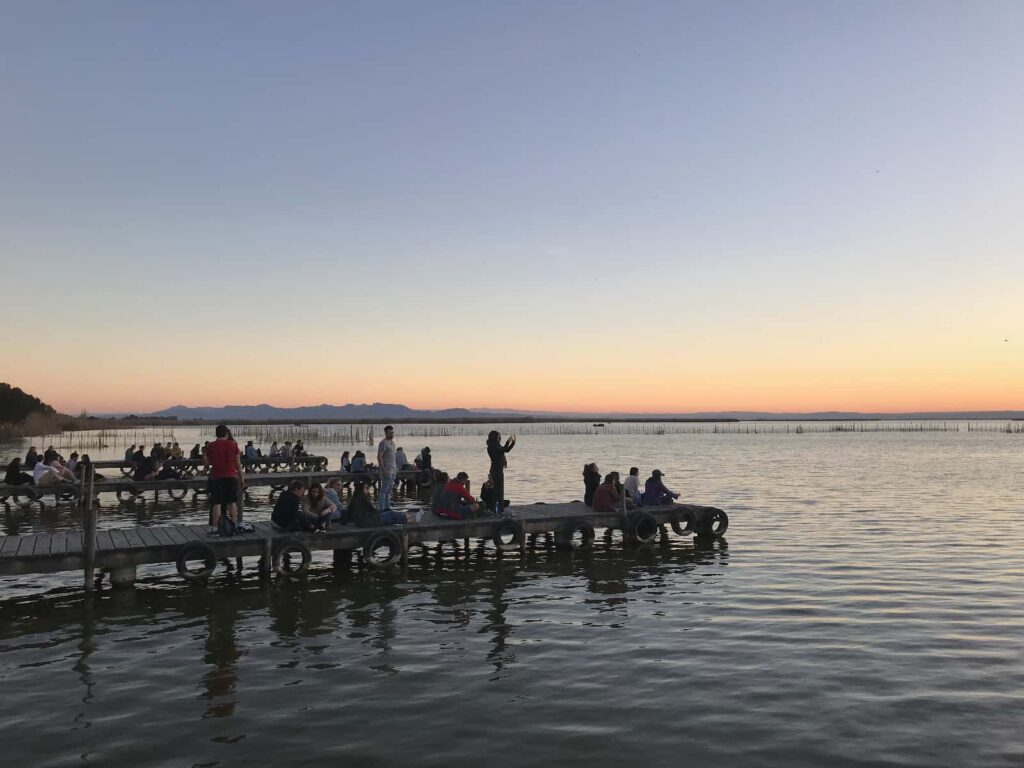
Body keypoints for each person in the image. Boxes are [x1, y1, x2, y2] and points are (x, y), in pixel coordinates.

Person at [204, 424, 243, 536]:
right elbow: (238, 464)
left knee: (217, 504)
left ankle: (215, 529)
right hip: (231, 476)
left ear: (216, 434)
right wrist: (241, 478)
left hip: (217, 477)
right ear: (226, 433)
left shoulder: (211, 446)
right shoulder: (233, 445)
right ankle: (234, 525)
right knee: (232, 502)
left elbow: (207, 464)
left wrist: (204, 455)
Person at [486, 431, 515, 513]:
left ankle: (498, 508)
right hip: (496, 472)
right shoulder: (493, 446)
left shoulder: (494, 445)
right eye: (498, 437)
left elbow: (503, 450)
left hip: (497, 470)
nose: (500, 438)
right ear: (494, 437)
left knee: (498, 490)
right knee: (497, 491)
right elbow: (506, 450)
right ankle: (496, 508)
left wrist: (509, 442)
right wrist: (511, 442)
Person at [377, 425, 398, 513]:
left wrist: (396, 468)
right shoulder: (383, 443)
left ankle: (387, 507)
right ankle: (381, 508)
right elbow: (379, 457)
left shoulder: (393, 443)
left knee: (389, 489)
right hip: (386, 469)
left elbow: (393, 456)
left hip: (393, 469)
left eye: (392, 432)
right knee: (384, 489)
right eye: (390, 432)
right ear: (386, 433)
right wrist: (383, 469)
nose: (392, 434)